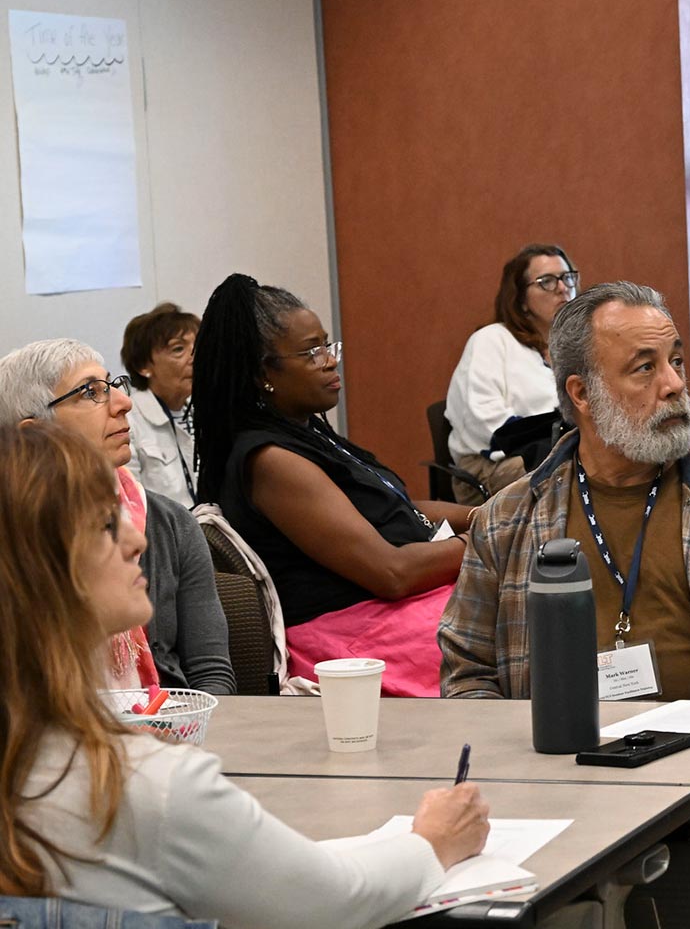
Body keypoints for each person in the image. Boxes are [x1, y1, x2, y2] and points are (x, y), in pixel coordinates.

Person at [0, 422, 491, 926]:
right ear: (42, 572)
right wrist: (432, 841)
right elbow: (335, 901)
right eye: (106, 524)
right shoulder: (141, 786)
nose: (136, 538)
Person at [440, 281, 690, 929]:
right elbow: (466, 671)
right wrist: (524, 768)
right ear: (581, 393)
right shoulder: (506, 522)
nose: (674, 383)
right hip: (553, 778)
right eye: (645, 367)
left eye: (674, 360)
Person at [194, 273, 473, 696]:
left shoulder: (307, 431)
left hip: (391, 612)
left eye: (327, 344)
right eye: (311, 352)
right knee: (525, 620)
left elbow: (398, 507)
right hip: (352, 639)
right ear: (261, 374)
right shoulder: (270, 460)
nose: (330, 360)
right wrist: (484, 541)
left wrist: (486, 513)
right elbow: (392, 573)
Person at [0, 339, 235, 696]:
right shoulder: (15, 543)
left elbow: (211, 673)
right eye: (89, 392)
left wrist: (177, 737)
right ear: (34, 435)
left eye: (111, 385)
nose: (123, 403)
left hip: (173, 728)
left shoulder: (171, 523)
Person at [444, 243, 578, 504]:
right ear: (521, 299)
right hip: (491, 466)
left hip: (559, 452)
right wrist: (555, 442)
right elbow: (482, 419)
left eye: (568, 278)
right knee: (580, 468)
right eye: (547, 282)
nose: (563, 288)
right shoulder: (491, 341)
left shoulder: (577, 349)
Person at [120, 303, 200, 507]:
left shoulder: (203, 410)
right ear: (143, 366)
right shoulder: (127, 421)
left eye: (198, 346)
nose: (195, 358)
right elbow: (132, 505)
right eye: (178, 349)